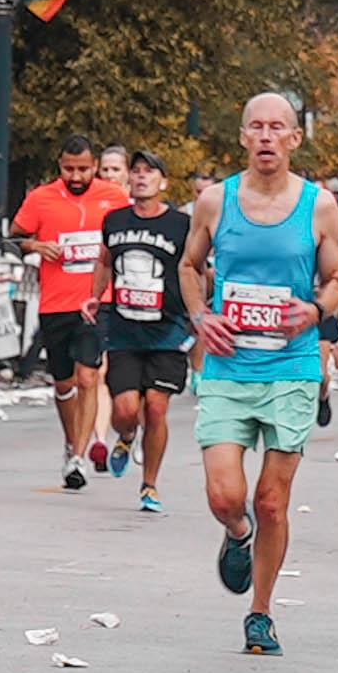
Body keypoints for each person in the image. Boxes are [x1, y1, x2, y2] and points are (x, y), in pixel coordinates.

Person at [181, 91, 332, 656]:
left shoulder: (319, 206)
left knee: (272, 501)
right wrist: (200, 316)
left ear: (295, 139)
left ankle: (261, 613)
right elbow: (190, 266)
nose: (267, 136)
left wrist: (316, 309)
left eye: (278, 128)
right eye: (257, 127)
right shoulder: (215, 201)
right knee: (228, 496)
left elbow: (337, 277)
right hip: (227, 364)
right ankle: (236, 534)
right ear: (243, 136)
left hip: (291, 366)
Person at [13, 135, 119, 489]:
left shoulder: (114, 197)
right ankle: (70, 440)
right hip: (55, 302)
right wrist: (34, 245)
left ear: (95, 166)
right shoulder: (41, 197)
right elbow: (11, 237)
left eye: (83, 169)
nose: (75, 176)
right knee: (63, 382)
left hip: (96, 301)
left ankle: (78, 454)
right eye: (68, 169)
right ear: (60, 166)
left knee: (89, 377)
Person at [95, 150, 195, 516]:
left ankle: (149, 484)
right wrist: (94, 297)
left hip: (167, 329)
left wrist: (200, 309)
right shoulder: (114, 220)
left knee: (156, 407)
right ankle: (124, 436)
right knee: (125, 410)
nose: (140, 178)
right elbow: (105, 261)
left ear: (163, 182)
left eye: (149, 172)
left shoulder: (180, 225)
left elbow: (195, 267)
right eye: (135, 172)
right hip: (124, 329)